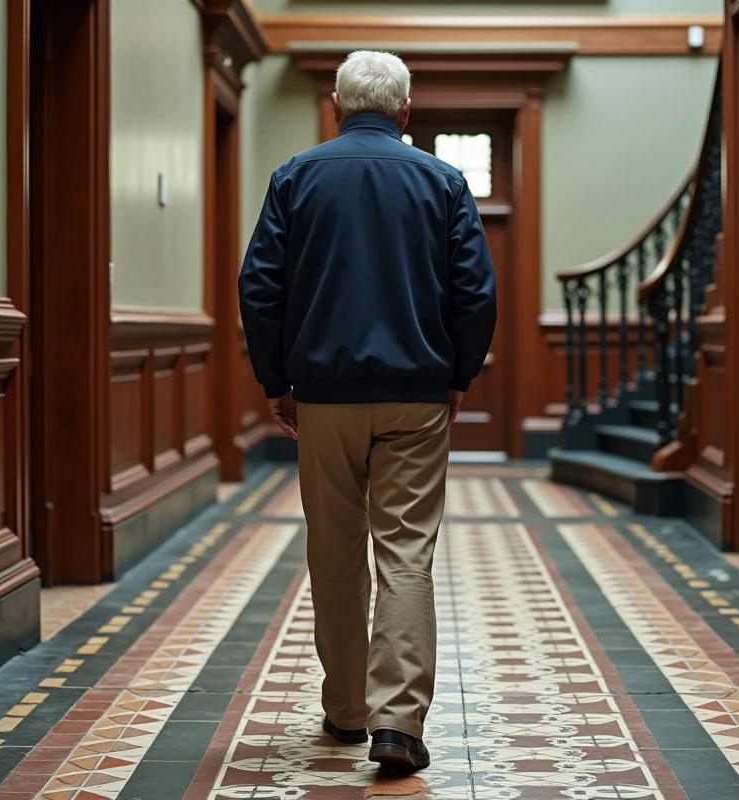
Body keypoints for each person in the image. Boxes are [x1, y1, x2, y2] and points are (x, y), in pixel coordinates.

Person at [238, 50, 497, 770]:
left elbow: (259, 286)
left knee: (334, 551)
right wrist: (457, 376)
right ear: (405, 111)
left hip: (324, 395)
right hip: (418, 394)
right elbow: (476, 293)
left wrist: (275, 381)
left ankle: (347, 709)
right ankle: (399, 723)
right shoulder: (443, 181)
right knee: (406, 552)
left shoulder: (296, 176)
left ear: (336, 104)